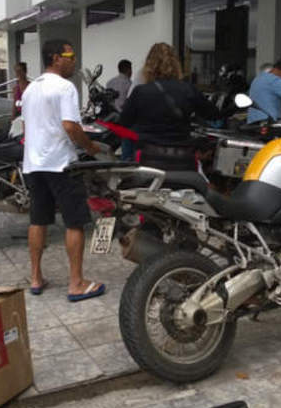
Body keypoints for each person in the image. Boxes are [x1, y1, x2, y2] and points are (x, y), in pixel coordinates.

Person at [21, 39, 105, 302]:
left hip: (33, 164)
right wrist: (90, 146)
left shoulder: (30, 89)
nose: (74, 60)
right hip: (61, 164)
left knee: (38, 220)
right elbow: (70, 126)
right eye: (70, 55)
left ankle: (36, 278)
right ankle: (76, 283)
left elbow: (26, 129)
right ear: (56, 58)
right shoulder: (65, 87)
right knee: (74, 221)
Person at [119, 42, 220, 170]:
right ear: (176, 64)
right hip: (183, 160)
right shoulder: (188, 89)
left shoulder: (140, 92)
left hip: (147, 159)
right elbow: (212, 114)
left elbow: (124, 122)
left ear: (149, 65)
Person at [247, 58, 281, 124]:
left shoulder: (258, 78)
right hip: (268, 122)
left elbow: (270, 97)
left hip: (254, 121)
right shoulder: (274, 80)